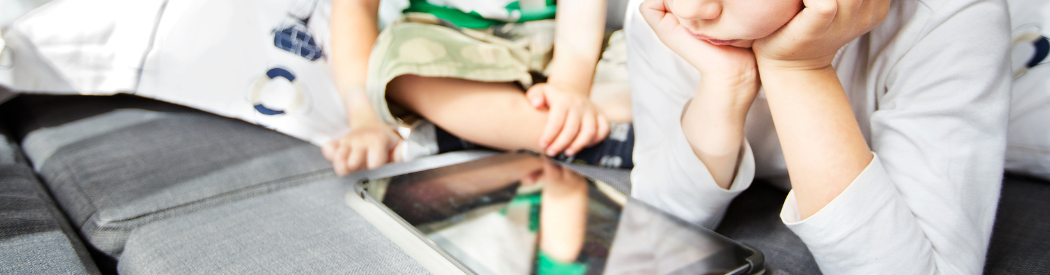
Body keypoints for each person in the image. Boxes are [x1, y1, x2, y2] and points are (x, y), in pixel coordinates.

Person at [625, 0, 1011, 273]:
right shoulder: (662, 12)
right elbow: (656, 221)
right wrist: (727, 82)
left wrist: (800, 69)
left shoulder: (954, 15)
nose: (691, 9)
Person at [322, 0, 634, 176]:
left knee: (650, 59)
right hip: (450, 42)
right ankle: (597, 137)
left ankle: (467, 134)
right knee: (397, 63)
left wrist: (570, 85)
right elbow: (355, 8)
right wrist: (365, 118)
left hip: (560, 44)